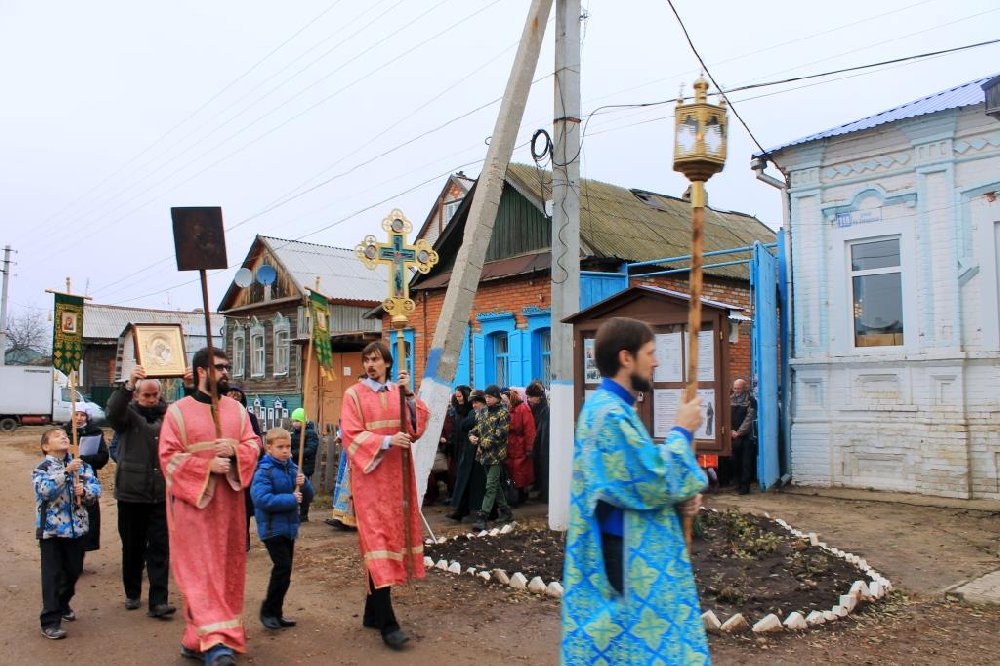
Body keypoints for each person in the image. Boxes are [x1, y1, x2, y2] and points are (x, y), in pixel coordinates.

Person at [561, 317, 709, 665]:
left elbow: (631, 481)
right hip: (625, 550)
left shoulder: (611, 408)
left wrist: (679, 500)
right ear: (626, 358)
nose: (656, 362)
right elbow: (650, 478)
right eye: (650, 353)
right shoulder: (610, 414)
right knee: (638, 646)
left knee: (633, 644)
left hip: (626, 542)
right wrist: (681, 431)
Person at [159, 348, 260, 666]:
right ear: (202, 371)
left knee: (227, 570)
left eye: (227, 366)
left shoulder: (237, 410)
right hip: (195, 508)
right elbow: (168, 458)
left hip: (229, 508)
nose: (226, 372)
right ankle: (216, 644)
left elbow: (254, 444)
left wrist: (235, 451)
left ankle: (198, 638)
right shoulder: (177, 412)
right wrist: (205, 467)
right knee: (200, 573)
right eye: (219, 367)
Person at [339, 341, 429, 650]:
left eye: (376, 359)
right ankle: (388, 623)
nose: (370, 364)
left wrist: (409, 395)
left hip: (397, 481)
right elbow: (351, 435)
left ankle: (372, 612)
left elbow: (416, 429)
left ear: (388, 363)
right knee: (376, 544)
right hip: (370, 481)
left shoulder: (397, 392)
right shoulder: (353, 395)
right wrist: (388, 441)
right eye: (366, 360)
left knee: (390, 542)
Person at [106, 367, 175, 618]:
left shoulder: (168, 416)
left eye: (155, 395)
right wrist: (128, 385)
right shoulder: (127, 417)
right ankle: (132, 592)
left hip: (160, 492)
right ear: (136, 395)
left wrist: (190, 385)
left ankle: (158, 601)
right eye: (146, 395)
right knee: (133, 547)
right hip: (131, 493)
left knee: (160, 548)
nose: (152, 399)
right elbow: (113, 412)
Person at [33, 427, 101, 640]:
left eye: (64, 434)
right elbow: (45, 491)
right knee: (52, 576)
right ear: (46, 446)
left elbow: (95, 489)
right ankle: (50, 621)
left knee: (73, 571)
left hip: (77, 529)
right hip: (51, 531)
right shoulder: (42, 468)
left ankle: (62, 603)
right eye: (56, 436)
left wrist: (86, 492)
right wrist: (65, 472)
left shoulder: (81, 465)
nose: (63, 436)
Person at [251, 427, 314, 631]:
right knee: (282, 568)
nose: (286, 450)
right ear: (268, 448)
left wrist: (304, 484)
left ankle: (276, 613)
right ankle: (268, 612)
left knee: (285, 572)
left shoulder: (293, 468)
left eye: (288, 446)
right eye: (280, 447)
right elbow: (261, 499)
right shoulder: (264, 471)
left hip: (289, 527)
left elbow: (308, 497)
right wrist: (291, 499)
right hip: (272, 529)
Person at [63, 407, 109, 553]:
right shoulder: (63, 433)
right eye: (76, 414)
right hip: (67, 478)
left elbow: (103, 457)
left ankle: (83, 548)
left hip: (87, 479)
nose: (79, 418)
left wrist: (84, 459)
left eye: (82, 415)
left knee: (88, 513)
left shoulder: (95, 432)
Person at [469, 384, 511, 531]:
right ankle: (506, 511)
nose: (487, 399)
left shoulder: (503, 413)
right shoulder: (483, 411)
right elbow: (477, 428)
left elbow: (500, 435)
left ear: (497, 397)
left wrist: (481, 442)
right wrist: (471, 435)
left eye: (490, 397)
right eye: (486, 397)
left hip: (496, 455)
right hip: (484, 455)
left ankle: (483, 516)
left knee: (490, 486)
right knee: (495, 485)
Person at [227, 386, 263, 551]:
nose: (234, 400)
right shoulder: (220, 418)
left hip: (244, 467)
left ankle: (244, 539)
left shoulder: (249, 417)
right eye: (231, 397)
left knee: (243, 507)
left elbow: (257, 442)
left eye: (238, 397)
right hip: (225, 467)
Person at [446, 390, 487, 522]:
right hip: (470, 453)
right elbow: (464, 426)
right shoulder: (472, 413)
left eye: (476, 402)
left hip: (483, 454)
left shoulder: (488, 414)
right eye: (473, 403)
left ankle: (489, 512)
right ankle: (461, 510)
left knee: (484, 486)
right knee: (465, 483)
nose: (474, 405)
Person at [501, 387, 535, 505]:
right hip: (511, 445)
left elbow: (529, 429)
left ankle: (520, 496)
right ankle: (516, 496)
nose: (504, 403)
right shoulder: (508, 409)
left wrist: (529, 447)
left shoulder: (523, 409)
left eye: (505, 400)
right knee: (512, 472)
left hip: (520, 445)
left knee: (519, 472)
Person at [289, 407, 318, 522]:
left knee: (304, 489)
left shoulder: (310, 434)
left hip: (305, 465)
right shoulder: (293, 435)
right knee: (294, 488)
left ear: (304, 421)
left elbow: (310, 449)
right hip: (294, 465)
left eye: (297, 421)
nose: (295, 423)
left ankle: (304, 513)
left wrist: (294, 453)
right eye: (293, 421)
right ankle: (294, 511)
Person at [326, 422, 357, 530]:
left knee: (353, 487)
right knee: (345, 485)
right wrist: (341, 434)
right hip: (350, 450)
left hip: (361, 450)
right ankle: (341, 517)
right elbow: (349, 421)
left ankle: (352, 519)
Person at [730, 378, 757, 495]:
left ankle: (745, 487)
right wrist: (730, 430)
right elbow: (726, 415)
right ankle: (738, 484)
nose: (736, 391)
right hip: (733, 435)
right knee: (735, 460)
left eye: (739, 388)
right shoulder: (730, 399)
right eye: (735, 388)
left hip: (746, 436)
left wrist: (739, 432)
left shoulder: (751, 401)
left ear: (744, 388)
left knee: (746, 462)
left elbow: (749, 418)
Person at [524, 381, 550, 501]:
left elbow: (543, 431)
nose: (528, 400)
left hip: (542, 446)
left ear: (538, 397)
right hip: (538, 444)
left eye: (530, 397)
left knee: (543, 470)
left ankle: (545, 495)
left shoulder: (545, 410)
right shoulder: (535, 408)